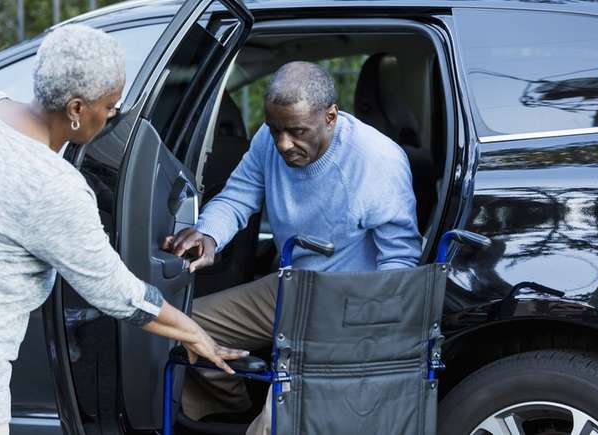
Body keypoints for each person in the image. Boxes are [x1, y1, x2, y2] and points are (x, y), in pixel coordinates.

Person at [0, 24, 246, 435]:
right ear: (75, 109)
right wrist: (193, 331)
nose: (114, 114)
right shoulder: (53, 185)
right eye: (110, 105)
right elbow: (114, 291)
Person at [163, 61, 422, 435]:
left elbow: (399, 259)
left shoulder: (377, 161)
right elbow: (237, 198)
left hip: (350, 303)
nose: (283, 144)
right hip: (291, 285)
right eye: (275, 129)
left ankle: (265, 416)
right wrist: (208, 235)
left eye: (297, 131)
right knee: (185, 324)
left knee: (276, 423)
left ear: (331, 117)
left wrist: (368, 337)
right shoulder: (269, 142)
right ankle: (233, 410)